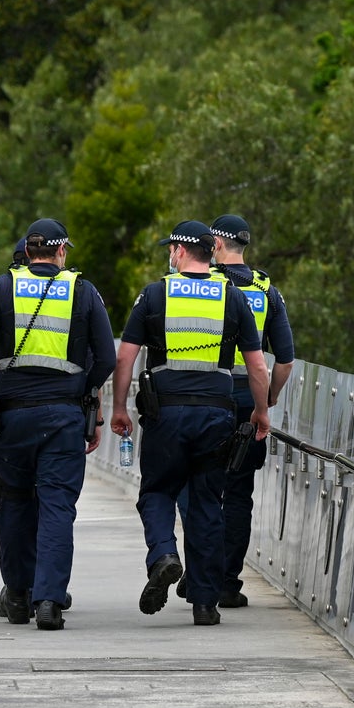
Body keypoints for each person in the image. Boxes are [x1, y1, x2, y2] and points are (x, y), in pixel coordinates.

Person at [0, 219, 115, 631]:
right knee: (57, 505)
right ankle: (49, 600)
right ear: (61, 251)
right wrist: (82, 392)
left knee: (15, 502)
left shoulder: (0, 288)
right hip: (63, 417)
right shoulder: (83, 290)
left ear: (28, 251)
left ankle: (17, 595)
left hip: (11, 417)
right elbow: (106, 358)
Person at [108, 221, 271, 626]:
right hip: (217, 415)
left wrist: (119, 408)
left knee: (157, 491)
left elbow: (125, 357)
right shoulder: (233, 297)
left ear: (179, 252)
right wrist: (261, 411)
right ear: (210, 251)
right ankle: (204, 603)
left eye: (171, 249)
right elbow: (257, 366)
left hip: (165, 415)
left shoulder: (154, 294)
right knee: (207, 504)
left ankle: (164, 554)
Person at [199, 214, 294, 607]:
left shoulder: (201, 284)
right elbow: (285, 360)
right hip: (248, 404)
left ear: (217, 245)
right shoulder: (266, 290)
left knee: (201, 488)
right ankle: (226, 584)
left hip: (206, 398)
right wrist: (268, 399)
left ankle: (199, 574)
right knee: (238, 494)